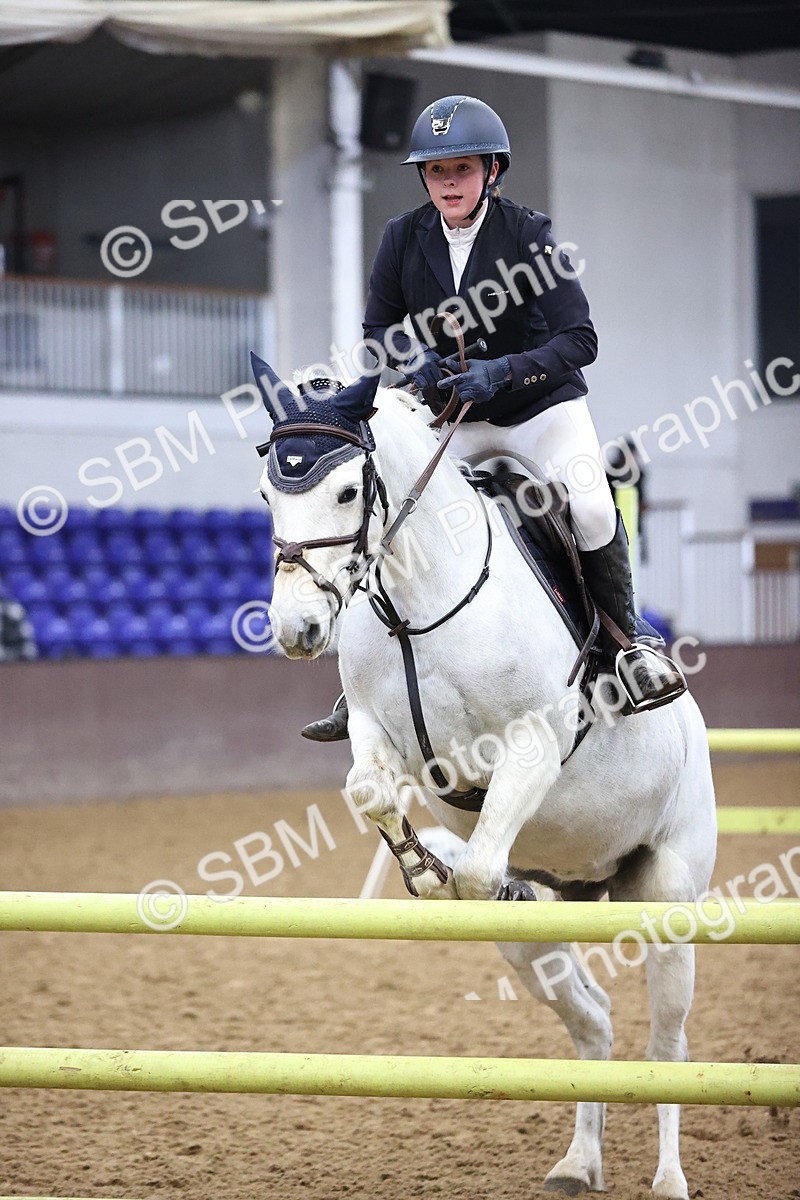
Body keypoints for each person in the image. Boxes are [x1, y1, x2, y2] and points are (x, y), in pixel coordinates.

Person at [303, 94, 685, 740]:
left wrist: (503, 371)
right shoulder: (402, 238)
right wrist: (413, 358)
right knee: (396, 519)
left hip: (541, 410)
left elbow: (580, 339)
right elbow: (378, 330)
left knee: (591, 507)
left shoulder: (528, 234)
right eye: (437, 172)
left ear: (491, 172)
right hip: (456, 420)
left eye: (462, 169)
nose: (448, 183)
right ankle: (362, 683)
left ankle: (629, 643)